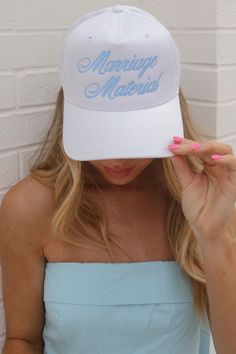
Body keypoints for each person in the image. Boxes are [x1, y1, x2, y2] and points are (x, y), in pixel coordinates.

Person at [0, 4, 236, 354]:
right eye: (102, 134)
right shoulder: (29, 207)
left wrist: (215, 236)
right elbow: (23, 338)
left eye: (134, 135)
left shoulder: (207, 201)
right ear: (68, 110)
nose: (117, 158)